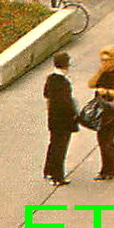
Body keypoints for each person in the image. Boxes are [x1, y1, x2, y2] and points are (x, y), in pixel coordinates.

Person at [87, 46, 114, 180]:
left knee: (106, 140)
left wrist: (107, 92)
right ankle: (107, 169)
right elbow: (91, 84)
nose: (104, 63)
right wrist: (99, 72)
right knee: (103, 140)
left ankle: (108, 170)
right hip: (102, 111)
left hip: (112, 112)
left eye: (107, 60)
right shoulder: (103, 72)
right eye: (102, 60)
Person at [41, 50, 79, 187]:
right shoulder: (63, 82)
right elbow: (66, 103)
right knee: (60, 148)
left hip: (53, 119)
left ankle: (48, 170)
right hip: (63, 121)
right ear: (66, 65)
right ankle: (57, 176)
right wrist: (75, 115)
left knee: (53, 145)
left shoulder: (50, 79)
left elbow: (47, 96)